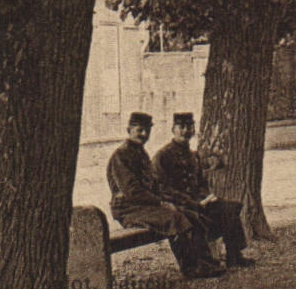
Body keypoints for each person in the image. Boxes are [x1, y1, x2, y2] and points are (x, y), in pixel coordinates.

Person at [106, 112, 224, 279]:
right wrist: (160, 203)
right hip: (128, 209)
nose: (144, 134)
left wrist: (170, 201)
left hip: (145, 206)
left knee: (190, 215)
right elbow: (132, 192)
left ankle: (206, 262)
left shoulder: (140, 153)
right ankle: (190, 268)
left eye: (147, 130)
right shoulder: (121, 156)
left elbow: (154, 186)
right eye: (139, 130)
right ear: (129, 130)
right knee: (175, 218)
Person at [153, 112, 255, 269]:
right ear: (173, 129)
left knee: (230, 208)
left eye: (189, 127)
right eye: (182, 127)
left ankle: (234, 255)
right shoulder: (162, 156)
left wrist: (206, 197)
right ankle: (202, 262)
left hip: (198, 202)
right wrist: (189, 201)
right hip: (179, 204)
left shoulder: (193, 155)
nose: (186, 131)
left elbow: (201, 183)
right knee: (195, 218)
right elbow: (161, 188)